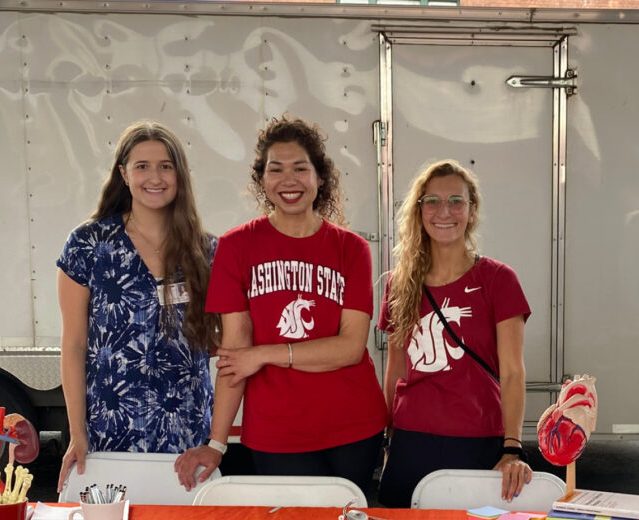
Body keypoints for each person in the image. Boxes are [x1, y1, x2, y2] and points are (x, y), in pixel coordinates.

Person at [174, 115, 389, 495]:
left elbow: (351, 347)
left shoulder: (350, 248)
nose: (288, 180)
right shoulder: (237, 247)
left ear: (319, 178)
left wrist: (266, 354)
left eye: (300, 168)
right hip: (277, 431)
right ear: (262, 181)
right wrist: (217, 443)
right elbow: (236, 350)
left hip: (353, 424)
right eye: (276, 169)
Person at [56, 121, 220, 491]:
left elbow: (226, 340)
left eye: (166, 165)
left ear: (180, 174)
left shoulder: (208, 251)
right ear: (123, 175)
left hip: (185, 432)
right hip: (110, 429)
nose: (155, 177)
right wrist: (77, 433)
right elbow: (74, 346)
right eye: (142, 166)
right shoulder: (88, 244)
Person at [377, 160, 532, 507]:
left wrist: (512, 448)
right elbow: (397, 366)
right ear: (418, 212)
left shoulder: (498, 279)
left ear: (472, 211)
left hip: (477, 438)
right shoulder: (400, 284)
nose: (442, 211)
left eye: (455, 201)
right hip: (412, 440)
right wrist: (389, 437)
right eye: (431, 201)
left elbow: (512, 372)